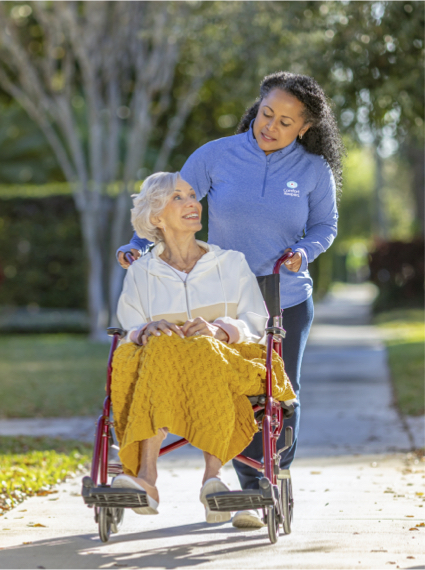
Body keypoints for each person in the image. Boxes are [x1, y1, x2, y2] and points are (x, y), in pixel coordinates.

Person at [117, 71, 344, 529]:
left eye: (285, 122)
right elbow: (170, 202)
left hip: (285, 293)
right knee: (232, 383)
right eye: (266, 114)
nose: (270, 126)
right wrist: (140, 246)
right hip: (219, 291)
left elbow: (325, 226)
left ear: (304, 128)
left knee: (279, 392)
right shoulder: (215, 155)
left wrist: (304, 251)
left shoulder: (313, 171)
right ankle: (247, 493)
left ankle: (267, 475)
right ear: (256, 108)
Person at [111, 171, 295, 523]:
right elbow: (128, 330)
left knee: (201, 346)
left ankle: (214, 477)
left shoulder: (231, 263)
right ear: (155, 217)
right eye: (177, 197)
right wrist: (146, 329)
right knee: (162, 342)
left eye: (192, 195)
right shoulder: (142, 273)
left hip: (226, 360)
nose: (193, 203)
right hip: (163, 367)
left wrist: (220, 330)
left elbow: (258, 321)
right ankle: (147, 479)